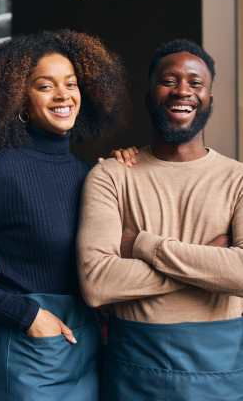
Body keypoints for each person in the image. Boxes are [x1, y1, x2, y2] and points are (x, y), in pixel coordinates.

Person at [0, 29, 136, 401]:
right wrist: (28, 317)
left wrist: (129, 168)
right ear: (20, 101)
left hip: (88, 349)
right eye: (46, 86)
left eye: (71, 84)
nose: (63, 95)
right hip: (30, 356)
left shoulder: (89, 173)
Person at [77, 39, 243, 401]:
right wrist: (209, 266)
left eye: (196, 83)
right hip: (133, 367)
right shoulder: (110, 176)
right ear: (149, 96)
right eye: (169, 81)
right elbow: (97, 284)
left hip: (219, 366)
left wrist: (141, 244)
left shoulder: (239, 179)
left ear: (209, 100)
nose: (182, 90)